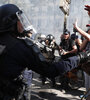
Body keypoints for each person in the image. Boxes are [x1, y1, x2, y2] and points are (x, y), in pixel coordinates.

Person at [0, 4, 90, 100]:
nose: (22, 23)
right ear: (10, 22)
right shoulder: (19, 47)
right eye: (19, 20)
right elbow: (51, 70)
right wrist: (78, 58)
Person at [73, 5, 90, 99]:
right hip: (87, 63)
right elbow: (82, 47)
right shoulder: (87, 36)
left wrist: (77, 28)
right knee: (87, 85)